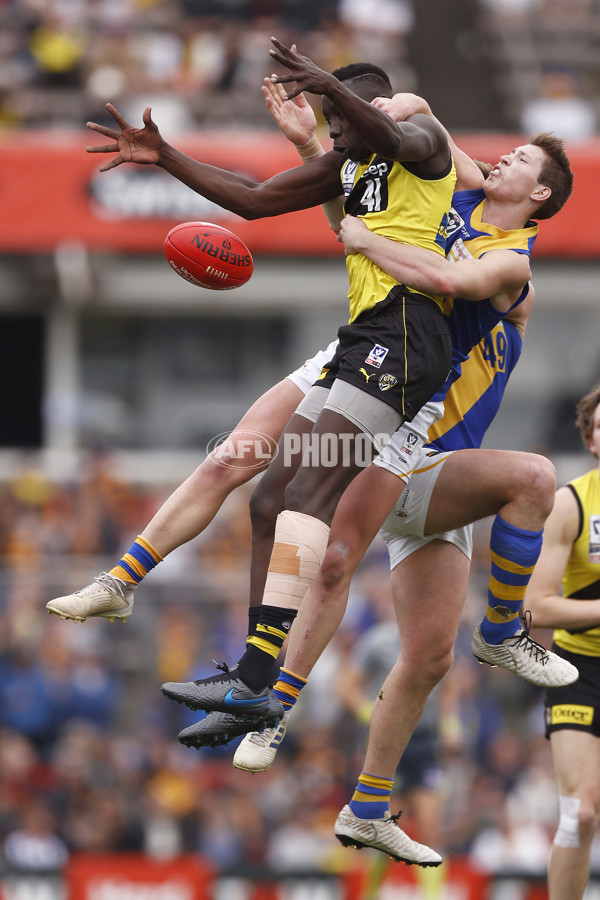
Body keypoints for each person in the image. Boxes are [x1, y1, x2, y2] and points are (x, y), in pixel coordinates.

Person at [167, 89, 575, 748]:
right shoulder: (453, 194)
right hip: (402, 432)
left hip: (447, 462)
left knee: (432, 658)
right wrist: (381, 115)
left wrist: (366, 232)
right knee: (329, 548)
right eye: (508, 151)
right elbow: (395, 162)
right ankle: (268, 709)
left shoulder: (512, 263)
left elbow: (436, 272)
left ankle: (371, 800)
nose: (503, 159)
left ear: (539, 197)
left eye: (521, 159)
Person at [525, 384, 600, 900]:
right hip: (580, 670)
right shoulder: (570, 503)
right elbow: (534, 607)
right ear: (592, 441)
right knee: (582, 809)